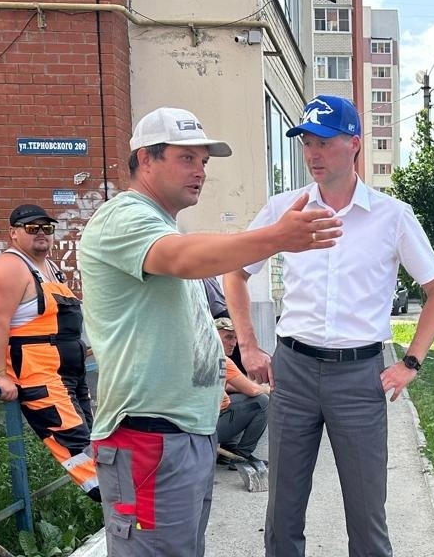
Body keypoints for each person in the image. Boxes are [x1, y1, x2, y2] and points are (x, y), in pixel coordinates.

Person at [78, 107, 341, 556]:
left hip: (184, 433)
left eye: (204, 162)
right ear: (145, 159)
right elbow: (183, 257)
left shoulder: (159, 222)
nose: (200, 171)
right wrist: (275, 237)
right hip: (148, 436)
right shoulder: (122, 217)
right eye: (186, 158)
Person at [224, 95, 434, 557]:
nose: (312, 154)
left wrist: (411, 362)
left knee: (367, 514)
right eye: (307, 142)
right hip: (294, 371)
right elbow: (235, 272)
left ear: (354, 145)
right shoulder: (284, 210)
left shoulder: (392, 217)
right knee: (283, 509)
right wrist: (247, 344)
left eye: (324, 142)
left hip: (360, 377)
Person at [0, 204, 99, 501]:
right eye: (32, 228)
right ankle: (122, 507)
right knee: (77, 447)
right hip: (40, 377)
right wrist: (0, 375)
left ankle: (123, 510)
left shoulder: (48, 268)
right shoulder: (9, 267)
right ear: (14, 233)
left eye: (47, 227)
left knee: (95, 442)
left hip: (68, 374)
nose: (42, 233)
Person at [202, 276, 269, 467]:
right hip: (205, 427)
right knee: (261, 403)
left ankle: (227, 450)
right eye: (228, 337)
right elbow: (254, 391)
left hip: (194, 424)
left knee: (234, 399)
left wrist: (240, 387)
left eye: (235, 338)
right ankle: (241, 455)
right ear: (214, 337)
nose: (234, 343)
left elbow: (224, 384)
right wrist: (271, 390)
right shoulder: (224, 361)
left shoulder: (199, 356)